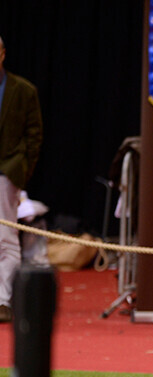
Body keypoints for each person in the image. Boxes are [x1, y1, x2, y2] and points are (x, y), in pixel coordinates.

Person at [0, 35, 43, 323]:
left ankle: (2, 301)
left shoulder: (24, 90)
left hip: (6, 171)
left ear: (2, 53)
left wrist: (21, 170)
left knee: (6, 238)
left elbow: (34, 135)